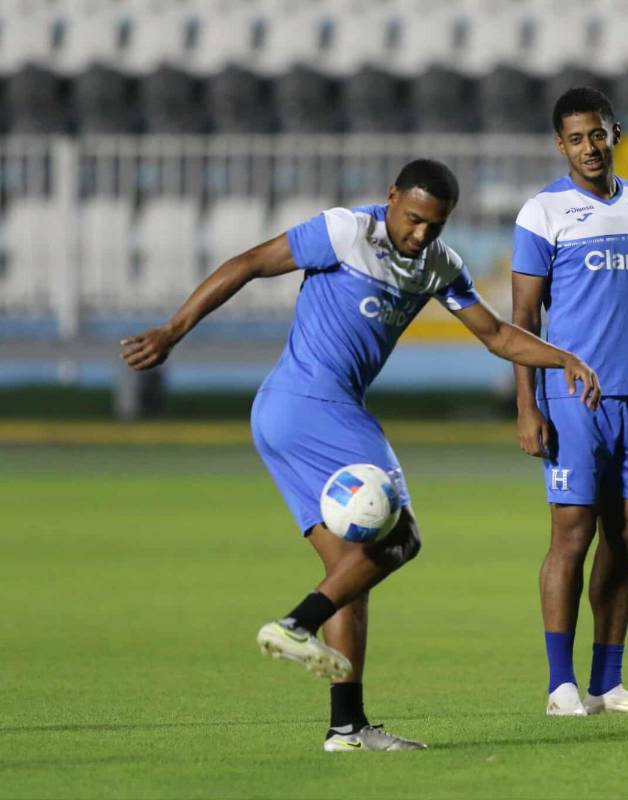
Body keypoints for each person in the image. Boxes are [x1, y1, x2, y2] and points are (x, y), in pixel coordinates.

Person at [121, 159, 601, 751]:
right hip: (313, 406)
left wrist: (565, 358)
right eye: (413, 218)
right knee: (403, 538)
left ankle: (347, 727)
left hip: (281, 416)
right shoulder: (346, 232)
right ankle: (296, 624)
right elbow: (249, 264)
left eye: (436, 224)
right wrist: (173, 330)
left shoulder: (439, 266)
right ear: (391, 196)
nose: (421, 234)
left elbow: (498, 336)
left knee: (352, 571)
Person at [510, 88, 628, 716]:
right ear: (559, 145)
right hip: (570, 398)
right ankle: (559, 685)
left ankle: (607, 684)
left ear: (614, 133)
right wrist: (527, 405)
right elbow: (522, 317)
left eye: (596, 135)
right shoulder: (544, 213)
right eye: (574, 139)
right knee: (572, 534)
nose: (588, 148)